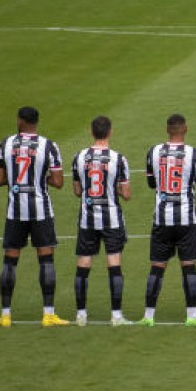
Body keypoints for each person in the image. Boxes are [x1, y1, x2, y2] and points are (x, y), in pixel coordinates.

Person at [0, 105, 67, 327]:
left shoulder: (5, 144)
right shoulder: (48, 146)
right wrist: (40, 178)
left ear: (19, 121)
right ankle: (48, 314)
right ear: (37, 122)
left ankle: (5, 315)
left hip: (14, 211)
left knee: (10, 260)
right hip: (40, 210)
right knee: (45, 259)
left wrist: (16, 181)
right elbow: (58, 182)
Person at [141, 113, 196, 327]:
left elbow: (152, 183)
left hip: (162, 219)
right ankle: (191, 315)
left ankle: (148, 316)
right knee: (188, 265)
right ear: (185, 129)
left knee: (157, 266)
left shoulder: (153, 152)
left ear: (167, 130)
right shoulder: (194, 154)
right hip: (186, 219)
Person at [69, 115, 131, 327]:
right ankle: (116, 315)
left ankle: (81, 315)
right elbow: (127, 193)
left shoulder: (79, 157)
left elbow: (77, 191)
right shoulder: (118, 159)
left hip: (87, 219)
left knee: (84, 263)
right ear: (110, 132)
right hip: (111, 218)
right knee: (113, 262)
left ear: (91, 131)